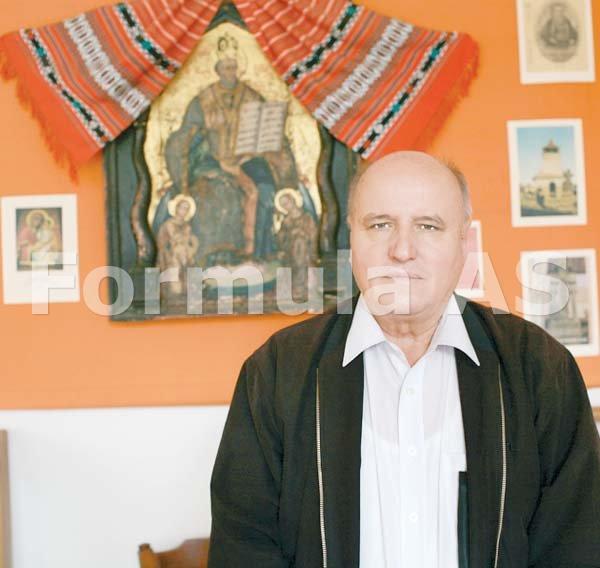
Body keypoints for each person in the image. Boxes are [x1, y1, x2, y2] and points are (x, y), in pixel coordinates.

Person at [208, 152, 600, 567]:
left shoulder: (540, 369)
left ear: (463, 243)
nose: (402, 250)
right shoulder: (275, 373)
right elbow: (243, 548)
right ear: (352, 238)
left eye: (428, 226)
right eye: (380, 225)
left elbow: (576, 546)